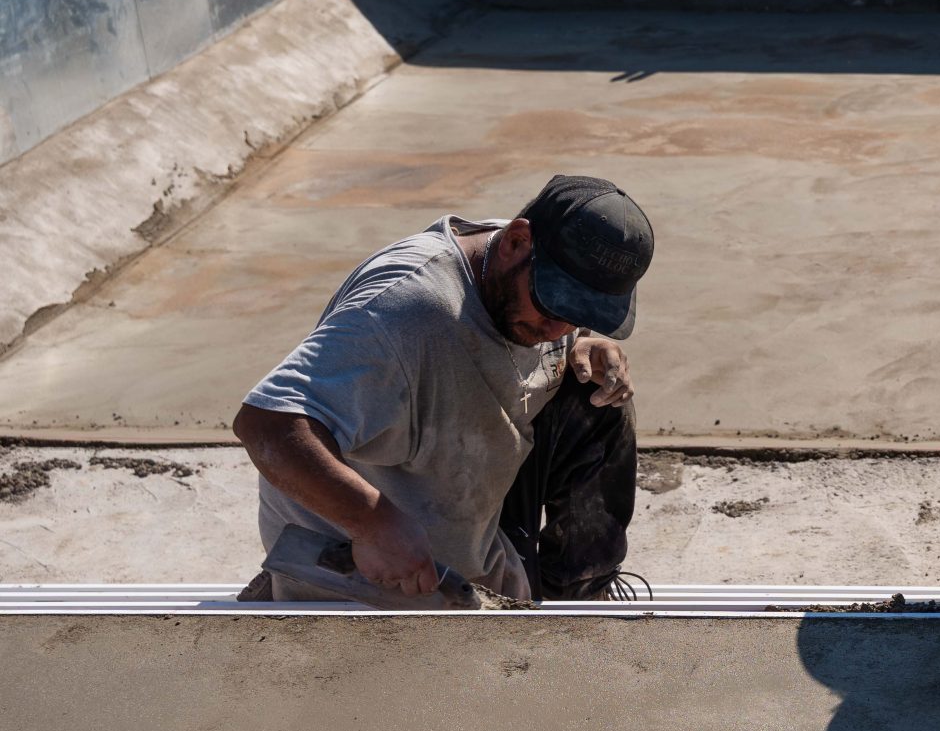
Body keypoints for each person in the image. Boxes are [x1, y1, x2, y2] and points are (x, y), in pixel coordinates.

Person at [233, 175, 655, 603]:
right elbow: (267, 424)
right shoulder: (405, 311)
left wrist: (585, 343)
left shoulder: (525, 267)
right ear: (515, 242)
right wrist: (371, 523)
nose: (556, 329)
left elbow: (560, 325)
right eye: (551, 305)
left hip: (468, 515)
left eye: (576, 314)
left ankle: (577, 605)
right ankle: (301, 586)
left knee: (596, 399)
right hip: (377, 566)